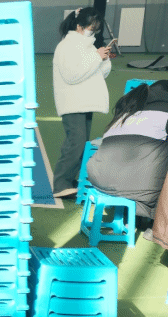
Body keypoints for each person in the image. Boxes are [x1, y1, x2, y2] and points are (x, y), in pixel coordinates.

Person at [87, 80, 168, 237]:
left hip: (98, 180)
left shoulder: (129, 110)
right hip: (136, 187)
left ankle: (131, 219)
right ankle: (157, 225)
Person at [51, 7, 112, 198]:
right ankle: (60, 184)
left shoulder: (87, 46)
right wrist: (96, 57)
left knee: (81, 144)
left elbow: (98, 74)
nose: (92, 32)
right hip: (73, 103)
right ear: (79, 26)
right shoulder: (67, 46)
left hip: (84, 101)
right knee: (75, 144)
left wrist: (103, 59)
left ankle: (69, 181)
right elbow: (72, 75)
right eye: (91, 28)